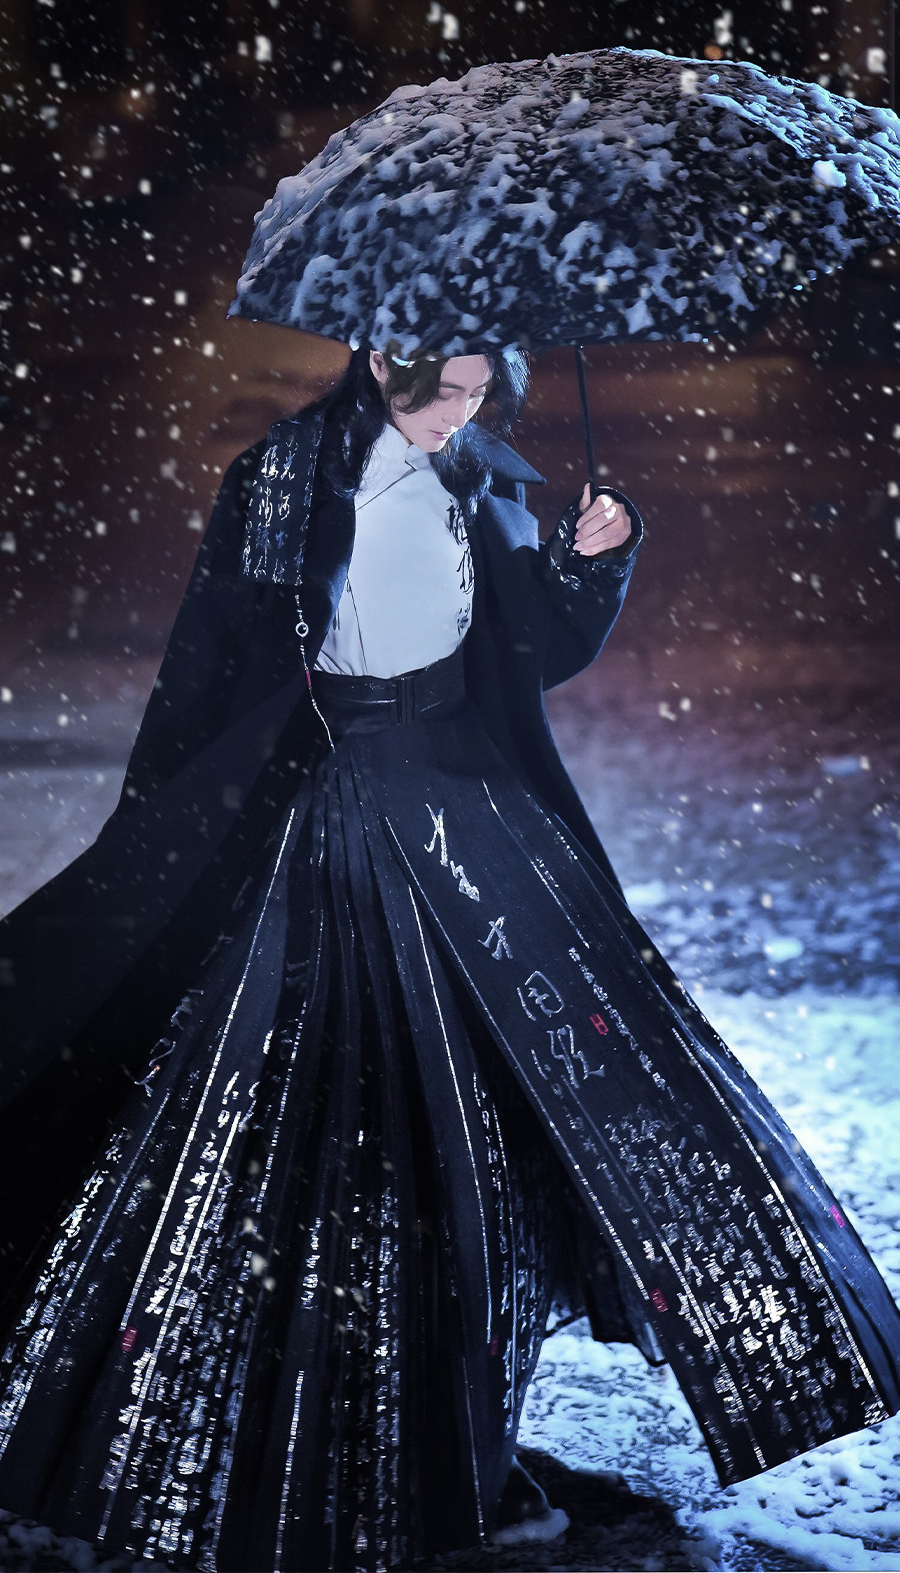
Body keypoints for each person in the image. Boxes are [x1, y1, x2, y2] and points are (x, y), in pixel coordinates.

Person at [0, 339, 898, 1573]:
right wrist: (166, 841)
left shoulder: (484, 478)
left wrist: (594, 562)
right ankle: (325, 1449)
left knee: (507, 1136)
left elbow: (530, 649)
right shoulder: (283, 480)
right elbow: (207, 664)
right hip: (332, 816)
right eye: (447, 392)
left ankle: (467, 1446)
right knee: (345, 1136)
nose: (462, 415)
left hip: (475, 809)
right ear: (381, 359)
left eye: (483, 394)